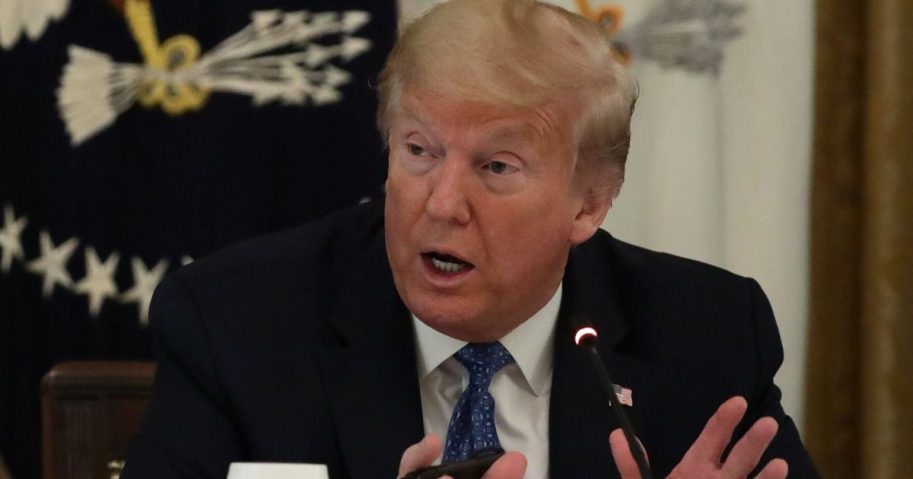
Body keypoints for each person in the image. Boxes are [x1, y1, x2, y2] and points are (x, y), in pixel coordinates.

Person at [122, 0, 820, 478]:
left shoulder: (706, 332)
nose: (443, 202)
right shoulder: (236, 322)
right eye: (418, 150)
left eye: (495, 166)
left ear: (590, 202)